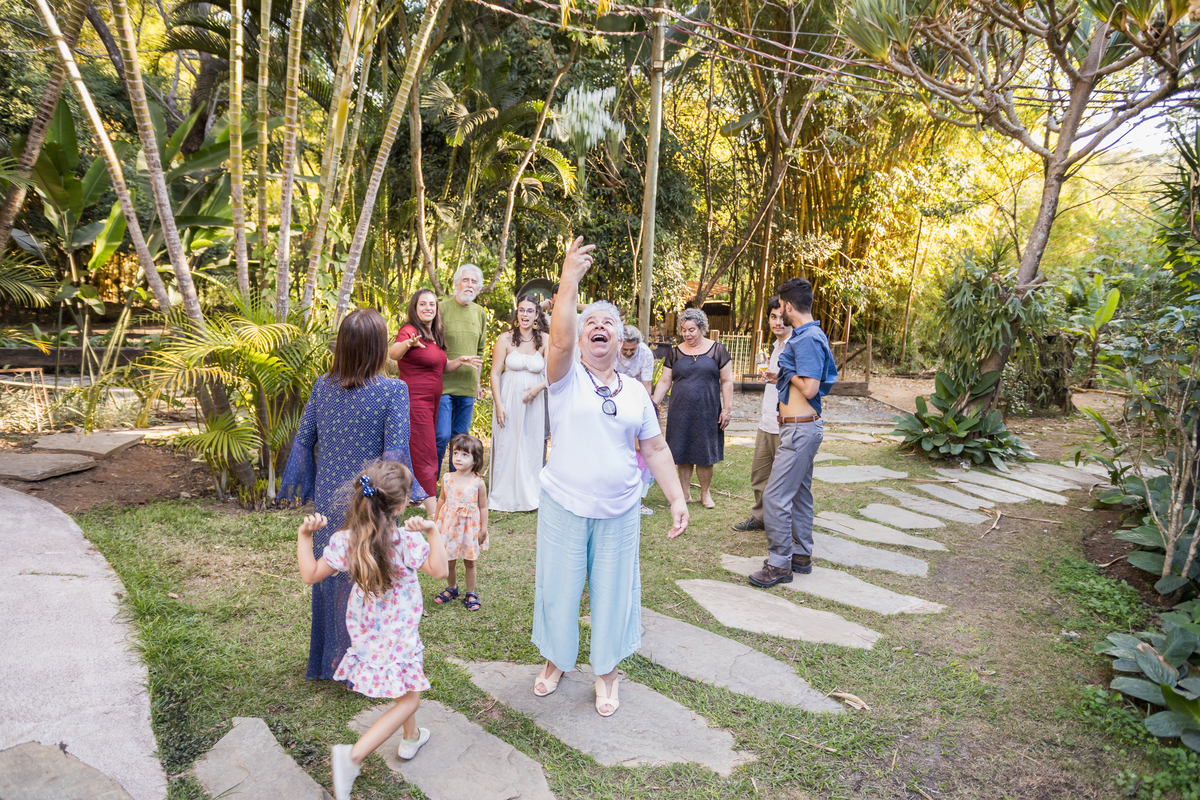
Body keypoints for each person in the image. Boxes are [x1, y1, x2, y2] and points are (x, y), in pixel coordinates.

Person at [532, 236, 689, 718]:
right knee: (559, 588)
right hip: (563, 503)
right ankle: (557, 659)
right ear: (582, 339)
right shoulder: (564, 377)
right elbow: (559, 340)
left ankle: (606, 672)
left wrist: (677, 498)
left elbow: (655, 448)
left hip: (620, 509)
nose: (599, 327)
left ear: (621, 342)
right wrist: (568, 281)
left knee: (613, 592)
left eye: (609, 324)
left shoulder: (637, 393)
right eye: (591, 323)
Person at [280, 308, 427, 681]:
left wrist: (299, 484)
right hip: (372, 498)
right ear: (379, 347)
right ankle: (366, 665)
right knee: (368, 576)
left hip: (330, 497)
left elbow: (303, 440)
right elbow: (395, 453)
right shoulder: (394, 391)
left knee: (332, 574)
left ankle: (330, 661)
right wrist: (407, 492)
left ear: (343, 346)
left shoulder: (322, 386)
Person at [295, 461, 448, 800]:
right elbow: (440, 570)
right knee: (410, 698)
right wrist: (433, 531)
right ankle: (352, 756)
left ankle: (411, 737)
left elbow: (310, 575)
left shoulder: (346, 541)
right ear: (400, 506)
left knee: (402, 683)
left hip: (366, 634)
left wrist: (305, 536)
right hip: (400, 634)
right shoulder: (406, 541)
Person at [748, 277, 838, 588]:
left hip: (800, 430)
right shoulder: (808, 335)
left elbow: (810, 387)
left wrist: (786, 372)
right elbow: (804, 380)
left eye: (780, 306)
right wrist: (781, 376)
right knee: (799, 494)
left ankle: (779, 564)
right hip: (799, 428)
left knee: (774, 497)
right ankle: (800, 555)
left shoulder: (807, 338)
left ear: (787, 306)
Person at [390, 289, 483, 513]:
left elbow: (442, 368)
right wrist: (408, 344)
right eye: (423, 304)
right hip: (415, 400)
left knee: (420, 449)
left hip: (433, 402)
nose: (428, 308)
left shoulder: (434, 334)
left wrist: (459, 361)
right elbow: (393, 353)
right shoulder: (410, 330)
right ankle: (433, 510)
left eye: (432, 304)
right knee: (427, 452)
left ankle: (413, 496)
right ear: (414, 308)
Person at [651, 308, 734, 509]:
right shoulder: (675, 352)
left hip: (708, 410)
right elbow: (665, 380)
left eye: (691, 330)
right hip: (680, 410)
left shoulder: (717, 350)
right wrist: (653, 403)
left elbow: (727, 380)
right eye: (683, 330)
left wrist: (727, 409)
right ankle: (684, 493)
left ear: (701, 328)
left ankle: (705, 493)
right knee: (682, 451)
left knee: (705, 455)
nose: (687, 334)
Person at [733, 297, 793, 532]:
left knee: (784, 480)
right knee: (759, 476)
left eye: (782, 317)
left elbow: (806, 385)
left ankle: (783, 525)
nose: (778, 322)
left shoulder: (795, 346)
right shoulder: (776, 347)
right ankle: (760, 518)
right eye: (773, 317)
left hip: (785, 423)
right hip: (766, 421)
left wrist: (779, 379)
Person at [488, 295, 548, 512]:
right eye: (521, 310)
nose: (525, 314)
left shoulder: (545, 340)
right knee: (508, 443)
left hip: (534, 401)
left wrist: (537, 388)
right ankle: (504, 496)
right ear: (517, 313)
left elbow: (553, 374)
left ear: (537, 315)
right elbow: (495, 374)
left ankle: (530, 496)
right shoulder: (505, 339)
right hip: (508, 398)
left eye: (530, 311)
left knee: (531, 444)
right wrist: (499, 404)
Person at [437, 264, 488, 475]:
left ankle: (455, 483)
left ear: (478, 287)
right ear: (456, 284)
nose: (469, 285)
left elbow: (480, 351)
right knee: (441, 435)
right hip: (444, 383)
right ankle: (430, 484)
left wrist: (477, 383)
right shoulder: (441, 308)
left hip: (467, 385)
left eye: (474, 282)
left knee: (460, 438)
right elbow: (435, 345)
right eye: (465, 280)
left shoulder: (480, 313)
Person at [433, 434, 489, 611]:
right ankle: (452, 588)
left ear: (475, 460)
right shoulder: (447, 478)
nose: (458, 458)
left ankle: (471, 593)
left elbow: (483, 507)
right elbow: (442, 500)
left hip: (469, 528)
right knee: (449, 560)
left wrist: (483, 529)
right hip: (449, 527)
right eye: (456, 453)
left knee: (469, 561)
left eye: (465, 455)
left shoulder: (478, 482)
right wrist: (436, 521)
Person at [616, 324, 655, 396]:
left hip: (636, 392)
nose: (628, 353)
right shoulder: (612, 350)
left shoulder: (646, 354)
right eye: (625, 349)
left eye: (632, 349)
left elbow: (646, 385)